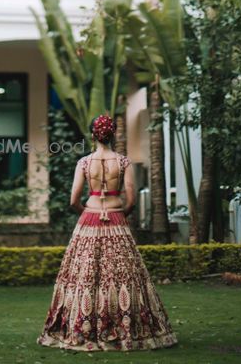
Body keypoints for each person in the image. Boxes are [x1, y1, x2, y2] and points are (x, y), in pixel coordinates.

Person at [36, 113, 178, 351]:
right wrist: (120, 215)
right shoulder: (123, 162)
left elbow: (73, 200)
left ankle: (82, 326)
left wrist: (87, 211)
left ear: (93, 135)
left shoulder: (84, 163)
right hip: (116, 218)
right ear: (113, 135)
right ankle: (126, 327)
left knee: (84, 276)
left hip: (89, 219)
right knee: (123, 275)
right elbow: (131, 198)